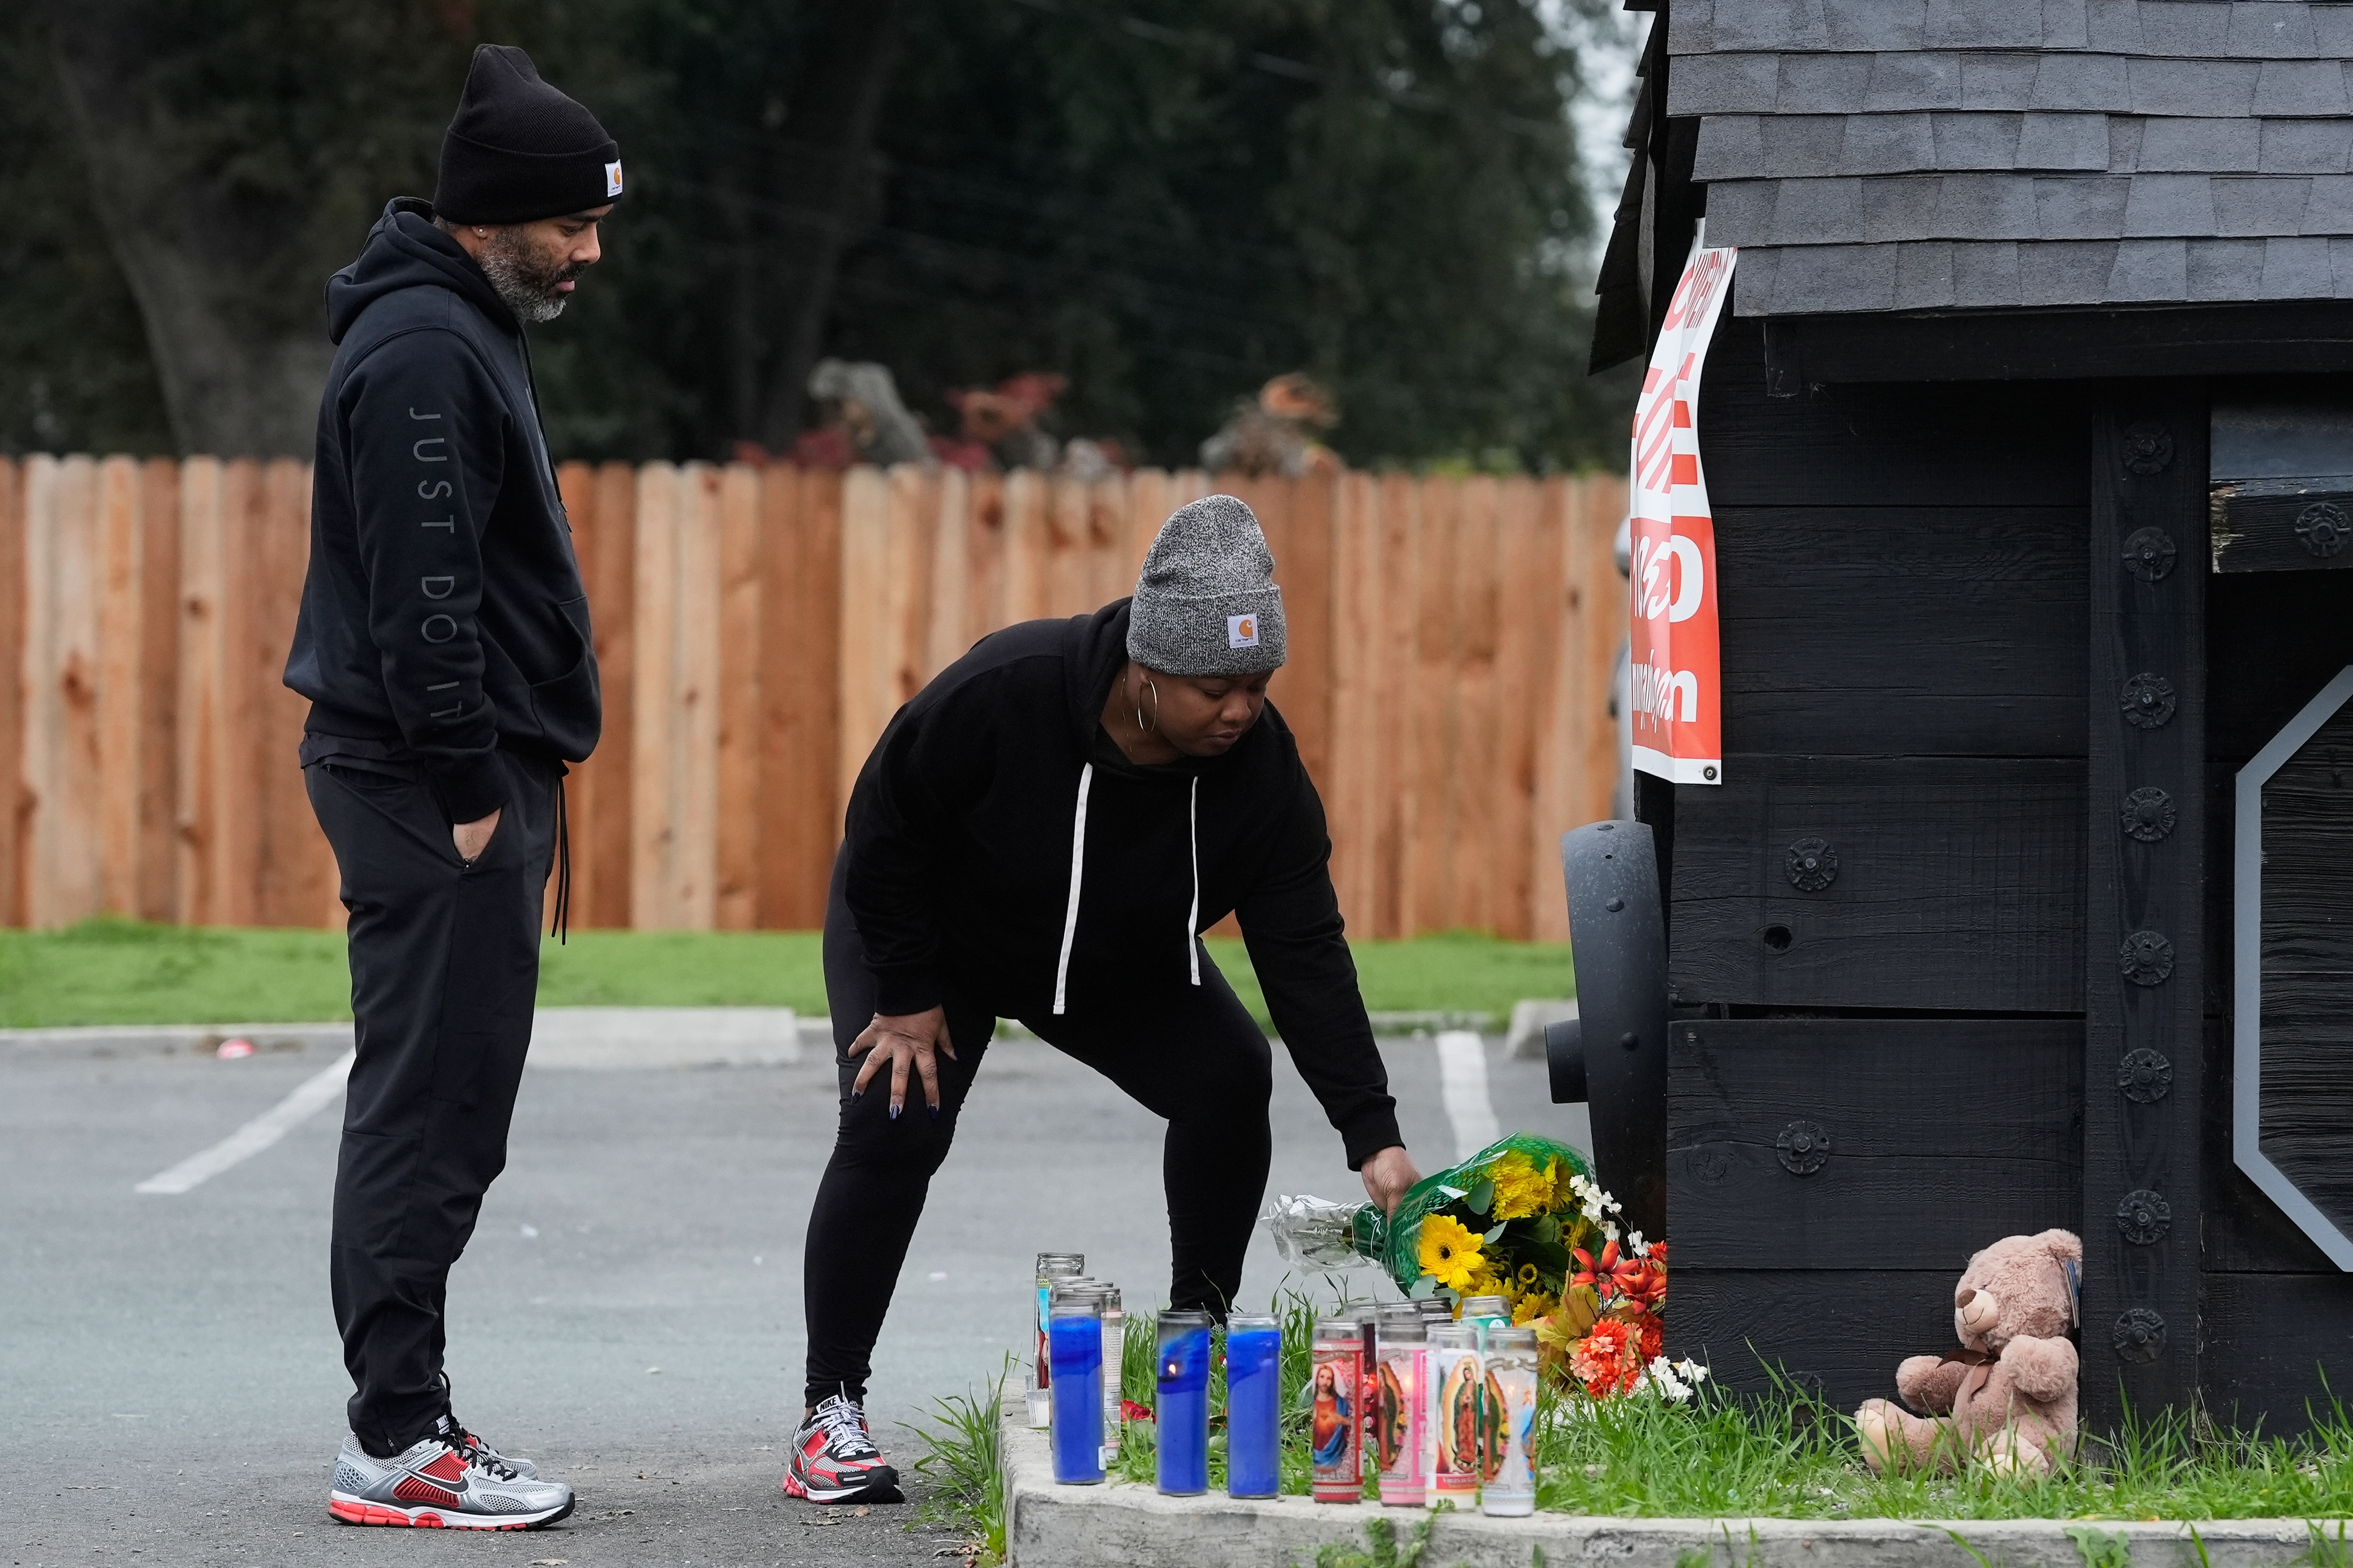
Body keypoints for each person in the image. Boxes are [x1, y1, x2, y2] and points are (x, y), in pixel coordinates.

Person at [786, 494, 1424, 1503]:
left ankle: (1199, 1345)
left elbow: (1305, 950)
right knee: (894, 1115)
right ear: (1147, 666)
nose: (1241, 710)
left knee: (1227, 1074)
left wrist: (1372, 1132)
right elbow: (886, 819)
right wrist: (907, 996)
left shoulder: (1258, 773)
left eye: (1258, 684)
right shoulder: (1014, 686)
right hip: (931, 934)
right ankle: (832, 1410)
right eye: (1217, 687)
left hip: (1106, 957)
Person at [283, 43, 621, 1531]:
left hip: (449, 781)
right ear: (494, 214)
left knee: (447, 1104)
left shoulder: (457, 318)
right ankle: (398, 1442)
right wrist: (476, 790)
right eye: (572, 224)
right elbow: (425, 595)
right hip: (434, 787)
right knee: (427, 1110)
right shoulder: (424, 347)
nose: (589, 252)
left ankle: (406, 1421)